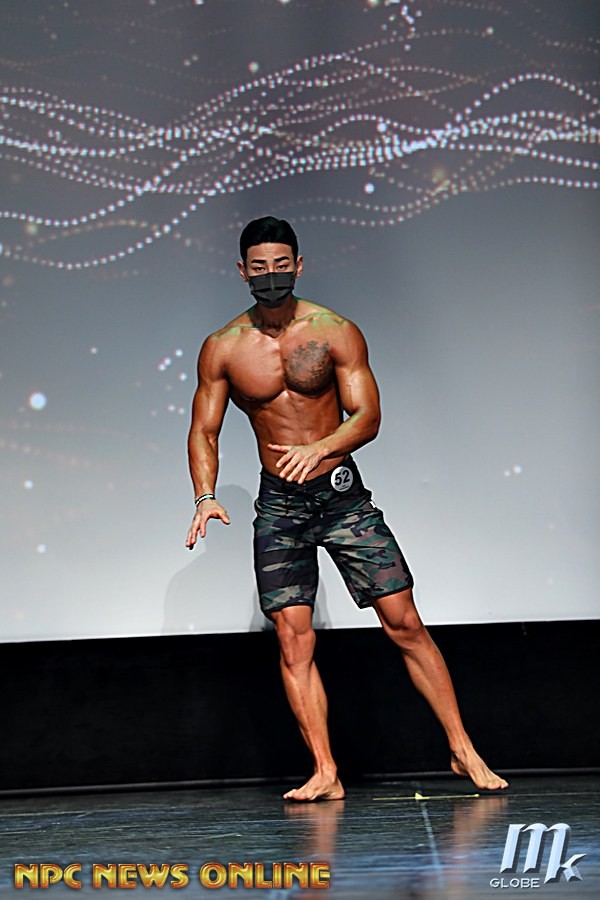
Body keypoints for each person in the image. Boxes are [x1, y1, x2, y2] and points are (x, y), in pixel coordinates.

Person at [185, 215, 508, 802]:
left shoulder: (334, 331)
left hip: (341, 498)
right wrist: (205, 496)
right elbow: (204, 430)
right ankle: (325, 771)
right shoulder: (223, 348)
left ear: (298, 265)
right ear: (242, 272)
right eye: (259, 267)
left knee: (404, 622)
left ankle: (463, 748)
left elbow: (368, 417)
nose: (271, 275)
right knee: (293, 638)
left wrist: (321, 447)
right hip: (280, 508)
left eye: (280, 265)